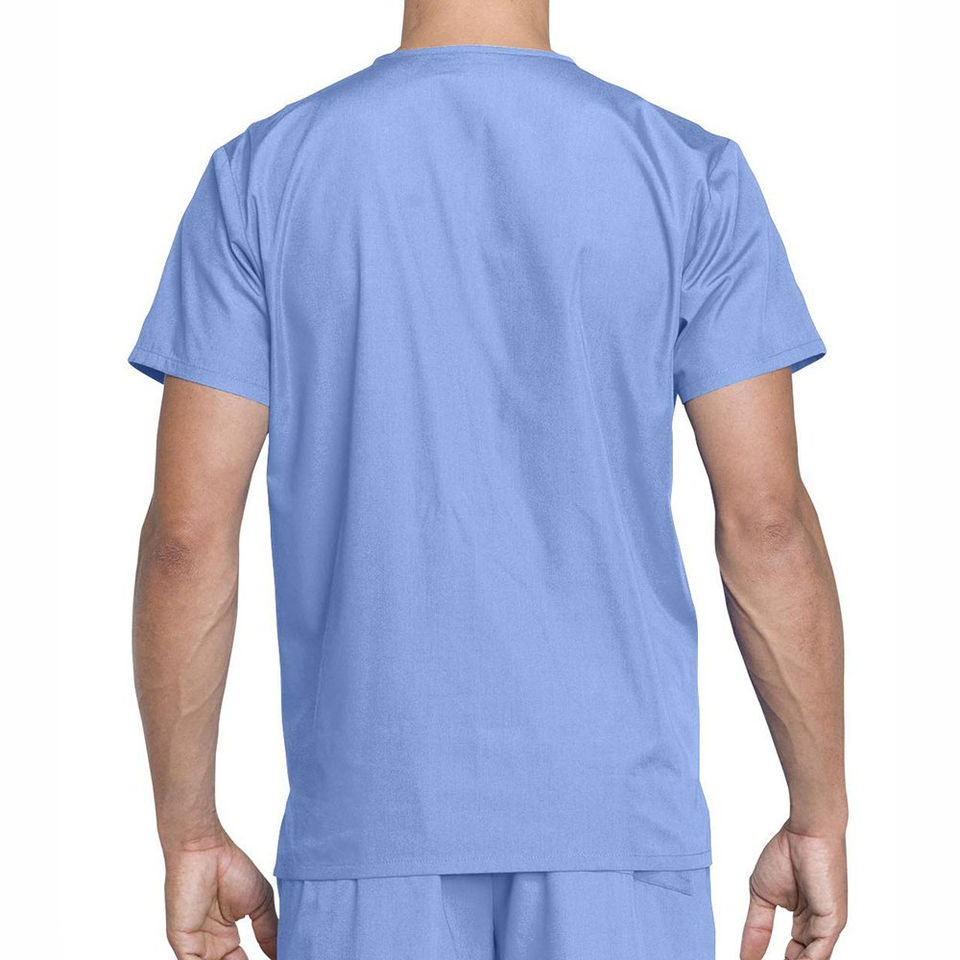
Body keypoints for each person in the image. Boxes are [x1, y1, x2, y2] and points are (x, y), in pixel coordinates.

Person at [129, 1, 847, 958]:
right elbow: (767, 525)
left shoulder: (262, 176)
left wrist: (189, 832)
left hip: (368, 829)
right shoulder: (689, 175)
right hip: (617, 831)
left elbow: (186, 540)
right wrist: (817, 813)